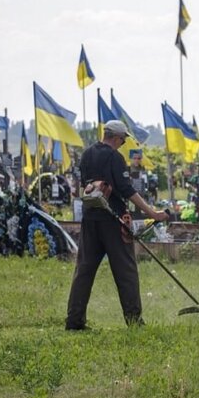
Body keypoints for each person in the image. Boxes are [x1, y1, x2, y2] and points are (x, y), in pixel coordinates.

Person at [66, 120, 169, 330]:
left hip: (90, 218)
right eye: (123, 140)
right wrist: (153, 213)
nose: (123, 144)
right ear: (116, 137)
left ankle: (74, 321)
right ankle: (134, 321)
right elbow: (126, 190)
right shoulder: (114, 157)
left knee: (84, 270)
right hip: (114, 220)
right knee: (126, 271)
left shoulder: (86, 154)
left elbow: (83, 184)